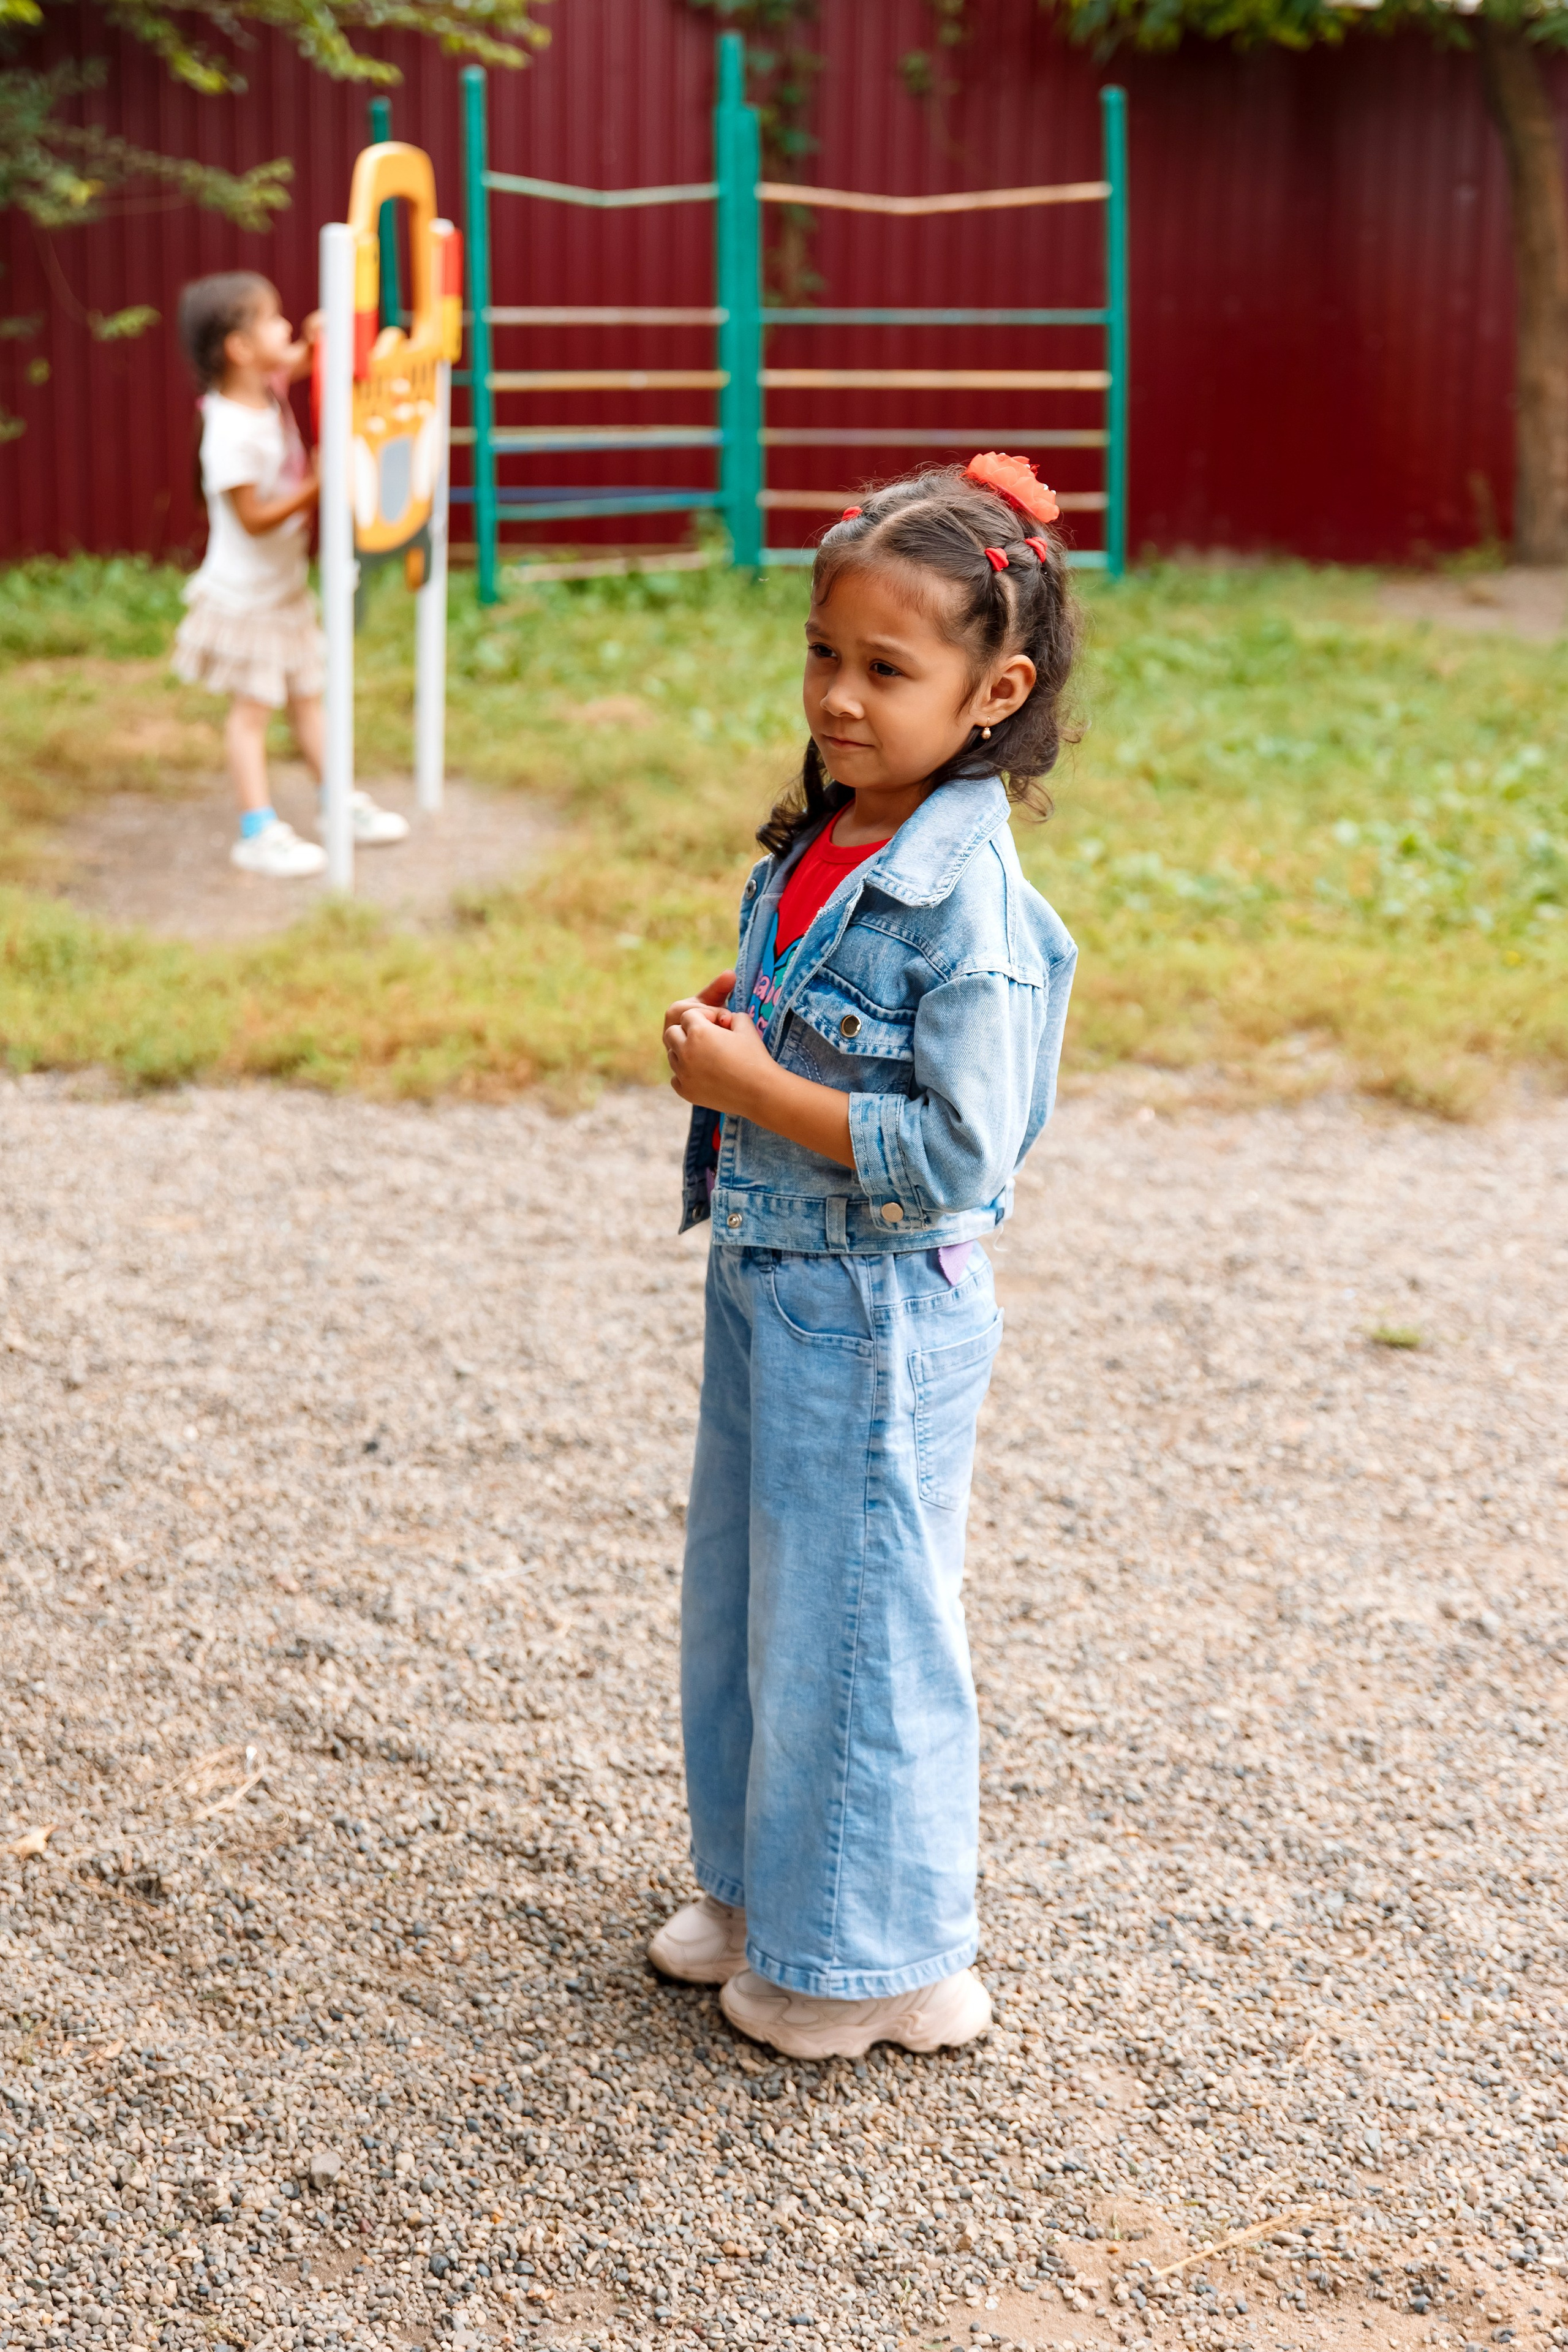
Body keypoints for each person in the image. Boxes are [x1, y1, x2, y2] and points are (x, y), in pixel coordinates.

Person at [653, 454, 1080, 2062]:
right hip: (781, 1283)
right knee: (754, 1597)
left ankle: (882, 1960)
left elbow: (963, 1155)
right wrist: (744, 1028)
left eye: (886, 670)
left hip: (880, 1311)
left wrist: (760, 1090)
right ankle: (770, 1889)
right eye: (825, 655)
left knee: (861, 1618)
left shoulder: (963, 896)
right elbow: (831, 1036)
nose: (838, 697)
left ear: (996, 690)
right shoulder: (835, 835)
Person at [172, 272, 409, 878]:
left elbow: (307, 360)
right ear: (240, 349)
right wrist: (316, 488)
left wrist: (321, 336)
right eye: (273, 319)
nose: (285, 327)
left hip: (282, 590)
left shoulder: (266, 385)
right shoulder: (231, 429)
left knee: (309, 695)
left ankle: (336, 801)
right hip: (247, 599)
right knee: (252, 713)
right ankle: (257, 830)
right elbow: (251, 519)